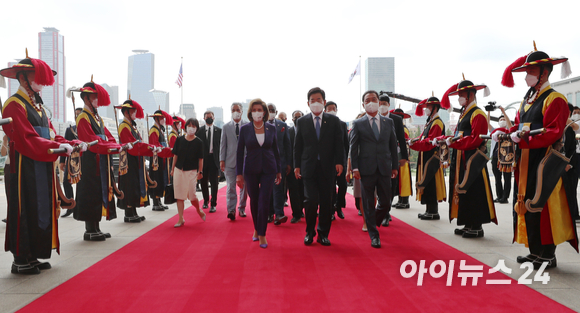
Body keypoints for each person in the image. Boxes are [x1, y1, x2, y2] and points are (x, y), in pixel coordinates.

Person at [1, 54, 82, 274]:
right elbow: (26, 138)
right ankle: (20, 258)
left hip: (40, 164)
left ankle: (33, 254)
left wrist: (70, 143)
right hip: (22, 166)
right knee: (24, 209)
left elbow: (52, 134)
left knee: (40, 209)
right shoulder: (13, 105)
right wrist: (55, 148)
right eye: (37, 77)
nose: (42, 83)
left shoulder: (39, 107)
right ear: (23, 78)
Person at [500, 45, 578, 268]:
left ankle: (547, 254)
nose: (526, 77)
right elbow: (518, 125)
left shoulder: (555, 99)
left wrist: (522, 138)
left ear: (543, 73)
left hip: (544, 160)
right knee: (526, 203)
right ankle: (535, 251)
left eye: (530, 73)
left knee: (542, 206)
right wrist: (504, 132)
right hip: (526, 159)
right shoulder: (528, 99)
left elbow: (552, 131)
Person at [441, 76, 497, 238]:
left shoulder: (477, 113)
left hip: (471, 158)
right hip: (461, 156)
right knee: (463, 189)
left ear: (471, 95)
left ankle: (477, 225)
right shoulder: (465, 112)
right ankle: (467, 222)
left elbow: (476, 138)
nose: (459, 98)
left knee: (474, 190)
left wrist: (455, 143)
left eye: (462, 95)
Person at [294, 87, 344, 246]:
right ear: (308, 103)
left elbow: (339, 144)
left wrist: (339, 162)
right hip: (308, 167)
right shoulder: (301, 121)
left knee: (326, 202)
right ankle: (309, 232)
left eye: (319, 100)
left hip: (328, 168)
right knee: (310, 201)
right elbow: (298, 146)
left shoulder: (334, 121)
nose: (316, 103)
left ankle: (323, 233)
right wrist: (297, 166)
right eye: (312, 100)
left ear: (324, 101)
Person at [74, 80, 123, 241]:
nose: (96, 100)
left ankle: (96, 227)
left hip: (101, 159)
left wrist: (115, 145)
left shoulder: (97, 118)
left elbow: (107, 135)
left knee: (99, 193)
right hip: (90, 162)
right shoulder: (83, 117)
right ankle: (90, 228)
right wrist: (110, 146)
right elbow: (91, 140)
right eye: (94, 97)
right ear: (86, 98)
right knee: (90, 193)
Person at [350, 90, 399, 248]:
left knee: (385, 203)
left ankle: (373, 221)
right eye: (367, 100)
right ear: (363, 104)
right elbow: (353, 148)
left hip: (385, 167)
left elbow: (393, 145)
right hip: (366, 169)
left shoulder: (388, 122)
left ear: (378, 102)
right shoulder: (358, 124)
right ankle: (374, 235)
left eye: (373, 99)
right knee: (368, 202)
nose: (370, 102)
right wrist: (355, 168)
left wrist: (394, 166)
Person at [236, 98, 281, 248]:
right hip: (250, 169)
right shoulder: (245, 129)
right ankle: (256, 228)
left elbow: (276, 150)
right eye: (254, 110)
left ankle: (262, 234)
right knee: (254, 200)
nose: (257, 112)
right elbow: (239, 152)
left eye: (259, 110)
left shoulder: (271, 128)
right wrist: (239, 174)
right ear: (250, 112)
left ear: (264, 112)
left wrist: (279, 170)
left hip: (269, 169)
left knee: (264, 201)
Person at [116, 99, 156, 223]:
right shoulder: (123, 126)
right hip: (128, 160)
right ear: (126, 112)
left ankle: (133, 211)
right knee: (129, 186)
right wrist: (148, 148)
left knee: (134, 186)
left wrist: (148, 147)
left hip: (135, 160)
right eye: (132, 111)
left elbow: (139, 143)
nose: (134, 113)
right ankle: (128, 213)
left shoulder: (131, 126)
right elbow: (133, 145)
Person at [409, 96, 448, 220]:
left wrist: (414, 145)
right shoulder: (431, 121)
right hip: (427, 156)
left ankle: (433, 211)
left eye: (429, 107)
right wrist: (413, 141)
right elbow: (422, 137)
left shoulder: (437, 122)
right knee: (428, 183)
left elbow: (429, 141)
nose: (427, 109)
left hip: (432, 157)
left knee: (431, 183)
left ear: (435, 108)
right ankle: (429, 210)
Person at [377, 95, 409, 226]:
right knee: (380, 185)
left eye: (385, 103)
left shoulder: (395, 119)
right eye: (380, 103)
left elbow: (401, 139)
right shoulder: (374, 118)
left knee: (391, 185)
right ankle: (383, 210)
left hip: (393, 156)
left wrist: (404, 157)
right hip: (378, 157)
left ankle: (386, 211)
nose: (382, 105)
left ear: (389, 105)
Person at [171, 118, 206, 227]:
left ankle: (198, 209)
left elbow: (201, 159)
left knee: (192, 196)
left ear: (196, 128)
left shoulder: (199, 142)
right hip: (178, 170)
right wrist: (172, 169)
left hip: (191, 171)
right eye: (189, 125)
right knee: (179, 195)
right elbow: (175, 155)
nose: (191, 128)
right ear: (185, 127)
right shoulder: (179, 139)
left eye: (194, 126)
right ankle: (181, 218)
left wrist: (200, 171)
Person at [220, 102, 248, 220]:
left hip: (245, 162)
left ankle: (241, 208)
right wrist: (222, 160)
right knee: (231, 186)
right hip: (229, 162)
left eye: (237, 109)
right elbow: (223, 145)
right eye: (233, 110)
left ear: (242, 111)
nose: (235, 112)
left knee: (244, 187)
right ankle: (231, 210)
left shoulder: (247, 126)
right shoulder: (226, 127)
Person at [267, 103, 291, 225]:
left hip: (279, 163)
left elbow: (287, 145)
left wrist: (288, 163)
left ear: (276, 112)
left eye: (273, 110)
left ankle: (279, 214)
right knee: (268, 190)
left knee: (278, 189)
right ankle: (269, 213)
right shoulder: (259, 125)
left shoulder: (282, 125)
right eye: (268, 110)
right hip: (265, 163)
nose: (271, 112)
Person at [324, 101, 348, 221]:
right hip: (328, 161)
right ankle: (331, 209)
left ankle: (339, 206)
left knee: (343, 185)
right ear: (325, 110)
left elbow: (345, 144)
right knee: (331, 187)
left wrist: (347, 161)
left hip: (341, 160)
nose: (332, 110)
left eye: (334, 108)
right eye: (329, 108)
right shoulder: (323, 124)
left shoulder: (342, 124)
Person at [148, 110, 174, 211]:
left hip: (162, 158)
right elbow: (155, 145)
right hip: (156, 159)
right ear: (157, 119)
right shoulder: (154, 130)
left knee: (161, 179)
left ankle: (159, 201)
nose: (163, 120)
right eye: (161, 118)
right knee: (156, 179)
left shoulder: (159, 130)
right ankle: (155, 202)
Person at [196, 111, 221, 213]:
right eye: (207, 117)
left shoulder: (219, 131)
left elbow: (221, 147)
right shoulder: (200, 131)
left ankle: (213, 203)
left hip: (214, 159)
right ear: (204, 118)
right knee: (203, 181)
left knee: (214, 183)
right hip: (203, 160)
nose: (209, 119)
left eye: (211, 117)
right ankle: (205, 200)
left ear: (214, 118)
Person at [487, 108, 512, 204]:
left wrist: (504, 112)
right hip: (495, 156)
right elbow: (487, 123)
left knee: (507, 177)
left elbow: (510, 124)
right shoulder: (495, 131)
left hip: (507, 158)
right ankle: (499, 196)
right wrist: (488, 111)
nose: (502, 121)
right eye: (500, 120)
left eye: (504, 120)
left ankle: (505, 197)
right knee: (497, 177)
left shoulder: (509, 130)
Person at [59, 107, 81, 218]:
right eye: (75, 114)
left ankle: (80, 205)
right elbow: (65, 145)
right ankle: (70, 205)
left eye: (79, 114)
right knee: (66, 182)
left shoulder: (86, 128)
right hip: (71, 160)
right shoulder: (70, 129)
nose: (77, 116)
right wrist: (62, 161)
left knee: (81, 183)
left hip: (82, 160)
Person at [391, 108, 413, 209]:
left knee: (404, 179)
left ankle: (405, 200)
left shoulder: (403, 129)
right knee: (399, 179)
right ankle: (401, 199)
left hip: (402, 157)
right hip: (397, 155)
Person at [287, 110, 305, 223]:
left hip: (305, 165)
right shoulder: (288, 132)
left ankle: (302, 209)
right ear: (292, 119)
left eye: (299, 117)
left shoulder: (307, 130)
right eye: (295, 117)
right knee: (293, 190)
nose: (297, 119)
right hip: (291, 166)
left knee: (304, 190)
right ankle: (296, 213)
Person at [1, 134, 9, 224]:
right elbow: (3, 153)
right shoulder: (7, 135)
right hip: (9, 166)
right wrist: (5, 141)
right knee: (9, 192)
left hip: (21, 166)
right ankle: (10, 215)